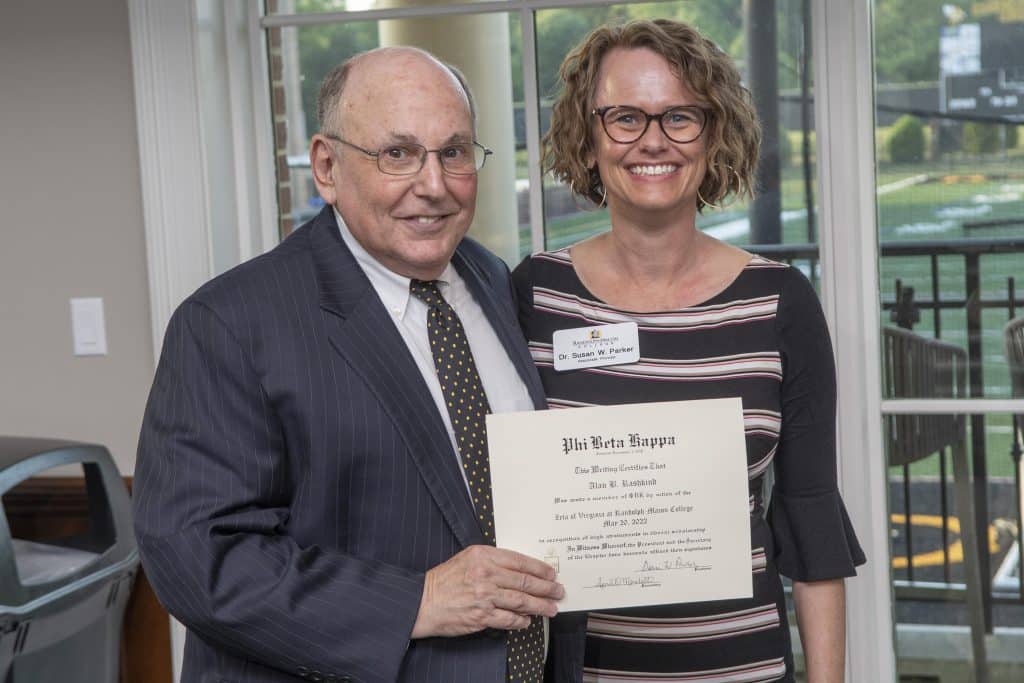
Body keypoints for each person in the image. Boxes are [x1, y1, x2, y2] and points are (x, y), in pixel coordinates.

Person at [134, 47, 584, 683]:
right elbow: (200, 559)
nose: (433, 185)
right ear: (326, 165)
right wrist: (417, 601)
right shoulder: (229, 324)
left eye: (454, 152)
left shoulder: (488, 277)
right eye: (397, 154)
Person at [512, 19, 865, 683]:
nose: (652, 139)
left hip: (746, 668)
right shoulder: (535, 294)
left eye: (680, 116)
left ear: (713, 134)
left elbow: (811, 516)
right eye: (624, 116)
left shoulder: (780, 302)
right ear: (588, 140)